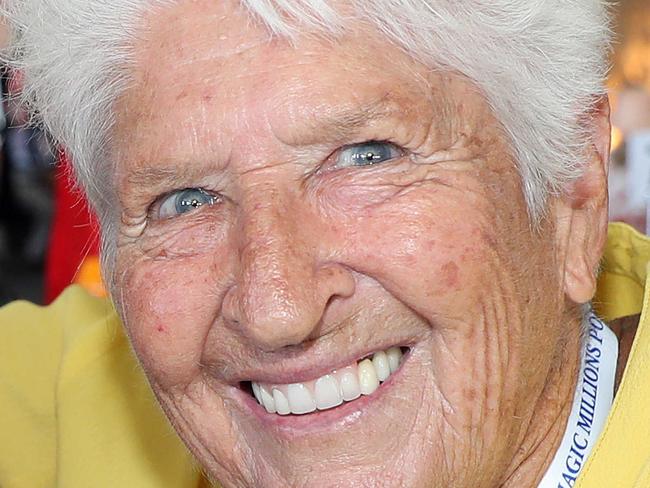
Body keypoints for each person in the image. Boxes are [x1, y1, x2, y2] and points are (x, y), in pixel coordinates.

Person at [1, 1, 649, 487]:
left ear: (576, 192)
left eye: (366, 157)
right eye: (185, 202)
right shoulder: (66, 412)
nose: (276, 309)